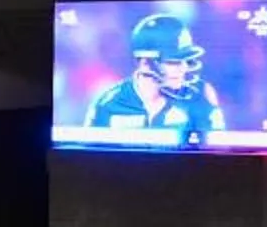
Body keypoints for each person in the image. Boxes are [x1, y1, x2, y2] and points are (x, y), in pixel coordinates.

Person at [87, 12, 227, 142]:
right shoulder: (109, 103)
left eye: (186, 61)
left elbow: (216, 152)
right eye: (173, 62)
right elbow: (90, 157)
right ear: (145, 63)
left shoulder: (199, 95)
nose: (183, 68)